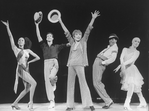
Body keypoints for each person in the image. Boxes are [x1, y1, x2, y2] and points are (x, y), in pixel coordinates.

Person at [59, 10, 100, 111]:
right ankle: (70, 106)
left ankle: (89, 104)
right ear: (73, 36)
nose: (79, 35)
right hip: (71, 65)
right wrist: (59, 20)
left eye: (79, 34)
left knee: (83, 83)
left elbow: (88, 29)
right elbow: (66, 31)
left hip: (80, 64)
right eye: (76, 34)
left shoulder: (83, 41)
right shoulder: (72, 42)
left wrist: (93, 18)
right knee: (70, 85)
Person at [2, 20, 40, 110]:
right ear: (18, 43)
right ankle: (31, 103)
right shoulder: (16, 49)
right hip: (20, 69)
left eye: (22, 40)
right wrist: (7, 27)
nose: (20, 41)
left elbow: (38, 57)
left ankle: (14, 103)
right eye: (19, 40)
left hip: (26, 69)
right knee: (34, 83)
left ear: (24, 42)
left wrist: (29, 62)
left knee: (27, 89)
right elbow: (10, 37)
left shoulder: (28, 51)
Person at [34, 12, 70, 109]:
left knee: (51, 77)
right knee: (47, 82)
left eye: (50, 36)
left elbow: (67, 44)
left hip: (54, 63)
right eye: (48, 36)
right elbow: (38, 36)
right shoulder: (44, 46)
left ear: (53, 38)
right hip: (46, 63)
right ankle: (52, 101)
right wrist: (37, 26)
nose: (49, 37)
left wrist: (72, 42)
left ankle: (54, 81)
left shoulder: (57, 46)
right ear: (46, 38)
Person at [114, 37, 147, 110]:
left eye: (138, 42)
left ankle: (127, 103)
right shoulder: (125, 49)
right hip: (125, 69)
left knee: (132, 85)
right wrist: (122, 66)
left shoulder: (137, 52)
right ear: (132, 41)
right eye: (135, 41)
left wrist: (120, 65)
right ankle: (143, 102)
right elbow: (121, 58)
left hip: (132, 69)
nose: (137, 43)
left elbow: (131, 60)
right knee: (136, 87)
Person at [92, 33, 119, 109]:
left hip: (101, 62)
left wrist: (103, 62)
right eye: (110, 39)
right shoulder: (109, 47)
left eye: (113, 39)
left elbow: (113, 59)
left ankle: (108, 101)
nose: (111, 40)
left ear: (116, 40)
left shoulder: (115, 48)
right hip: (98, 61)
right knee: (96, 82)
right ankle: (107, 100)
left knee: (97, 82)